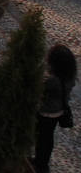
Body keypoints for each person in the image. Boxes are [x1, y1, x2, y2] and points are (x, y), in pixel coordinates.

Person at [33, 44, 77, 173]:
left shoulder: (52, 81)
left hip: (46, 112)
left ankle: (40, 163)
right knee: (48, 137)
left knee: (42, 138)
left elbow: (38, 87)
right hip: (59, 112)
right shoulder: (70, 76)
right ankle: (42, 162)